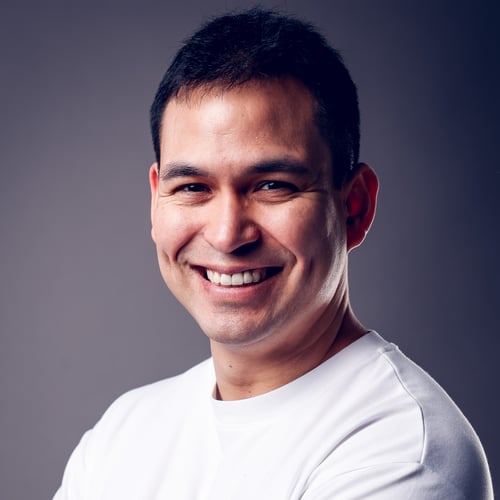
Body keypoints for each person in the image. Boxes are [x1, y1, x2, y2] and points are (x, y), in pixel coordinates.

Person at [54, 8, 493, 499]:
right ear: (156, 199)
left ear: (355, 207)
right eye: (193, 187)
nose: (227, 235)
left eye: (272, 185)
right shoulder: (122, 435)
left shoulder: (401, 454)